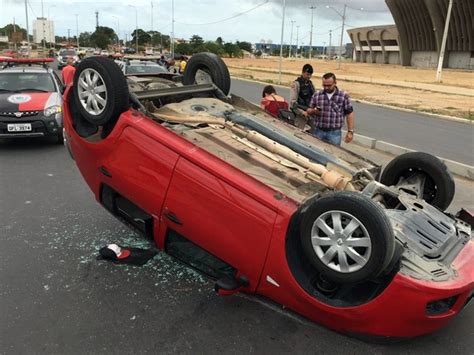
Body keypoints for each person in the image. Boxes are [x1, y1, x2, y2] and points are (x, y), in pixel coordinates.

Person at [306, 72, 354, 146]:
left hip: (334, 133)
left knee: (333, 154)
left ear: (335, 83)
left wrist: (350, 131)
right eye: (324, 85)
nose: (326, 88)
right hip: (319, 131)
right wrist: (313, 111)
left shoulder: (343, 96)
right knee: (316, 153)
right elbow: (309, 110)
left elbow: (349, 113)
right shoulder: (317, 95)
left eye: (329, 85)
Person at [290, 63, 316, 130]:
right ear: (303, 72)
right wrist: (302, 112)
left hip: (310, 114)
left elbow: (315, 97)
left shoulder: (310, 84)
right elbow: (293, 103)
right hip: (300, 116)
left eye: (310, 75)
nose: (309, 76)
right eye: (307, 74)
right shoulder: (296, 84)